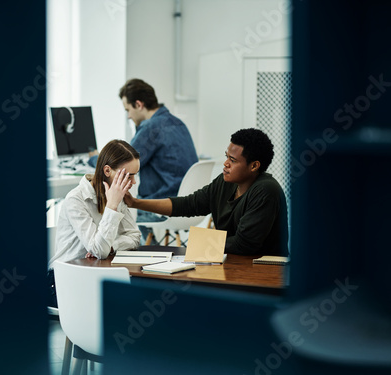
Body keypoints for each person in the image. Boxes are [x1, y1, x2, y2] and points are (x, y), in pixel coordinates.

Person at [124, 128, 289, 256]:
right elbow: (188, 204)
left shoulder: (266, 190)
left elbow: (243, 244)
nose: (225, 164)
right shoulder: (225, 183)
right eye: (226, 157)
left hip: (263, 270)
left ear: (254, 166)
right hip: (232, 261)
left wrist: (199, 242)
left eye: (233, 160)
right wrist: (135, 203)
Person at [89, 78, 198, 242]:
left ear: (139, 104)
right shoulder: (178, 123)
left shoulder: (151, 128)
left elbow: (120, 165)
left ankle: (143, 259)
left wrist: (93, 158)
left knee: (118, 213)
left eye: (128, 110)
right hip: (189, 205)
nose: (128, 116)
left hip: (162, 207)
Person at [50, 139, 141, 264]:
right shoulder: (76, 199)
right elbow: (99, 251)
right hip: (67, 273)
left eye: (135, 175)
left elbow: (135, 237)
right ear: (107, 171)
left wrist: (112, 246)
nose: (134, 181)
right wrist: (112, 206)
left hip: (97, 268)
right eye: (128, 176)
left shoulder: (117, 193)